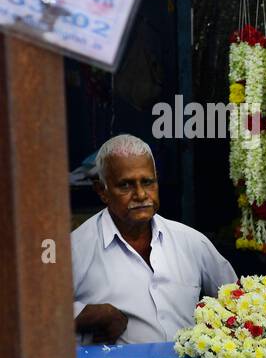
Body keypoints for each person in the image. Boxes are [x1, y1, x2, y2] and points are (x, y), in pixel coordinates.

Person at [72, 134, 236, 344]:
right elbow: (34, 308)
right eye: (126, 185)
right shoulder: (75, 249)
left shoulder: (192, 242)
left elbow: (237, 301)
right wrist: (91, 313)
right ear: (102, 191)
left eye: (148, 182)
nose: (141, 194)